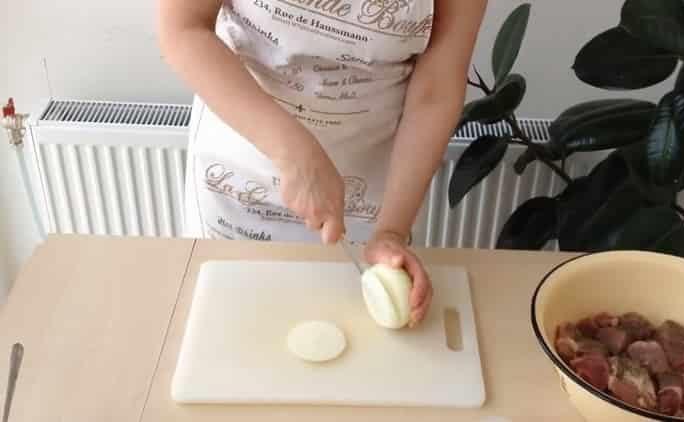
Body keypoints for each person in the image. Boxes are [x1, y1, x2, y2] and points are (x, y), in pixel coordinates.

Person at [157, 0, 487, 326]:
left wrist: (391, 231)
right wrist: (294, 152)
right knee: (230, 324)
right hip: (240, 173)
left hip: (372, 193)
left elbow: (436, 89)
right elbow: (183, 29)